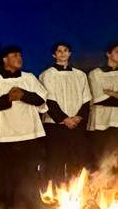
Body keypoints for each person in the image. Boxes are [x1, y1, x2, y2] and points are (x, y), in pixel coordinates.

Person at [0, 46, 48, 209]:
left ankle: (32, 200)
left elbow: (42, 99)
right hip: (4, 134)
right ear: (5, 59)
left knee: (30, 169)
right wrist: (8, 97)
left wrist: (23, 94)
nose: (19, 58)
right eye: (15, 55)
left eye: (20, 54)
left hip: (28, 132)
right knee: (6, 172)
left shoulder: (29, 78)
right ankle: (8, 202)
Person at [38, 41, 91, 182]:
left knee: (77, 161)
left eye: (66, 50)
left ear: (70, 53)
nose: (63, 53)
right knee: (56, 162)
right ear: (54, 55)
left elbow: (86, 100)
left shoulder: (80, 75)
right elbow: (48, 100)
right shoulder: (47, 75)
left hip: (76, 124)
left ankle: (77, 195)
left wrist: (78, 117)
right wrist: (64, 119)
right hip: (56, 126)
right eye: (59, 51)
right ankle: (55, 195)